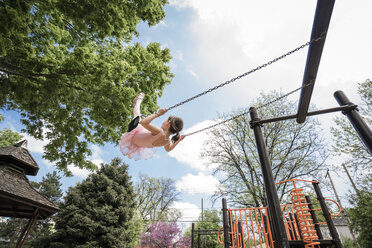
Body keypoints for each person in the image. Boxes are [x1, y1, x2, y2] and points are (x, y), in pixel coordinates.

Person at [119, 93, 185, 160]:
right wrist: (179, 140)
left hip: (135, 135)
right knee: (137, 117)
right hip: (136, 144)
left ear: (168, 123)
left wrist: (158, 114)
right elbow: (168, 149)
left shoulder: (159, 131)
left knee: (137, 116)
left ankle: (138, 100)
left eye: (166, 120)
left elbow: (143, 123)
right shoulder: (167, 142)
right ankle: (137, 101)